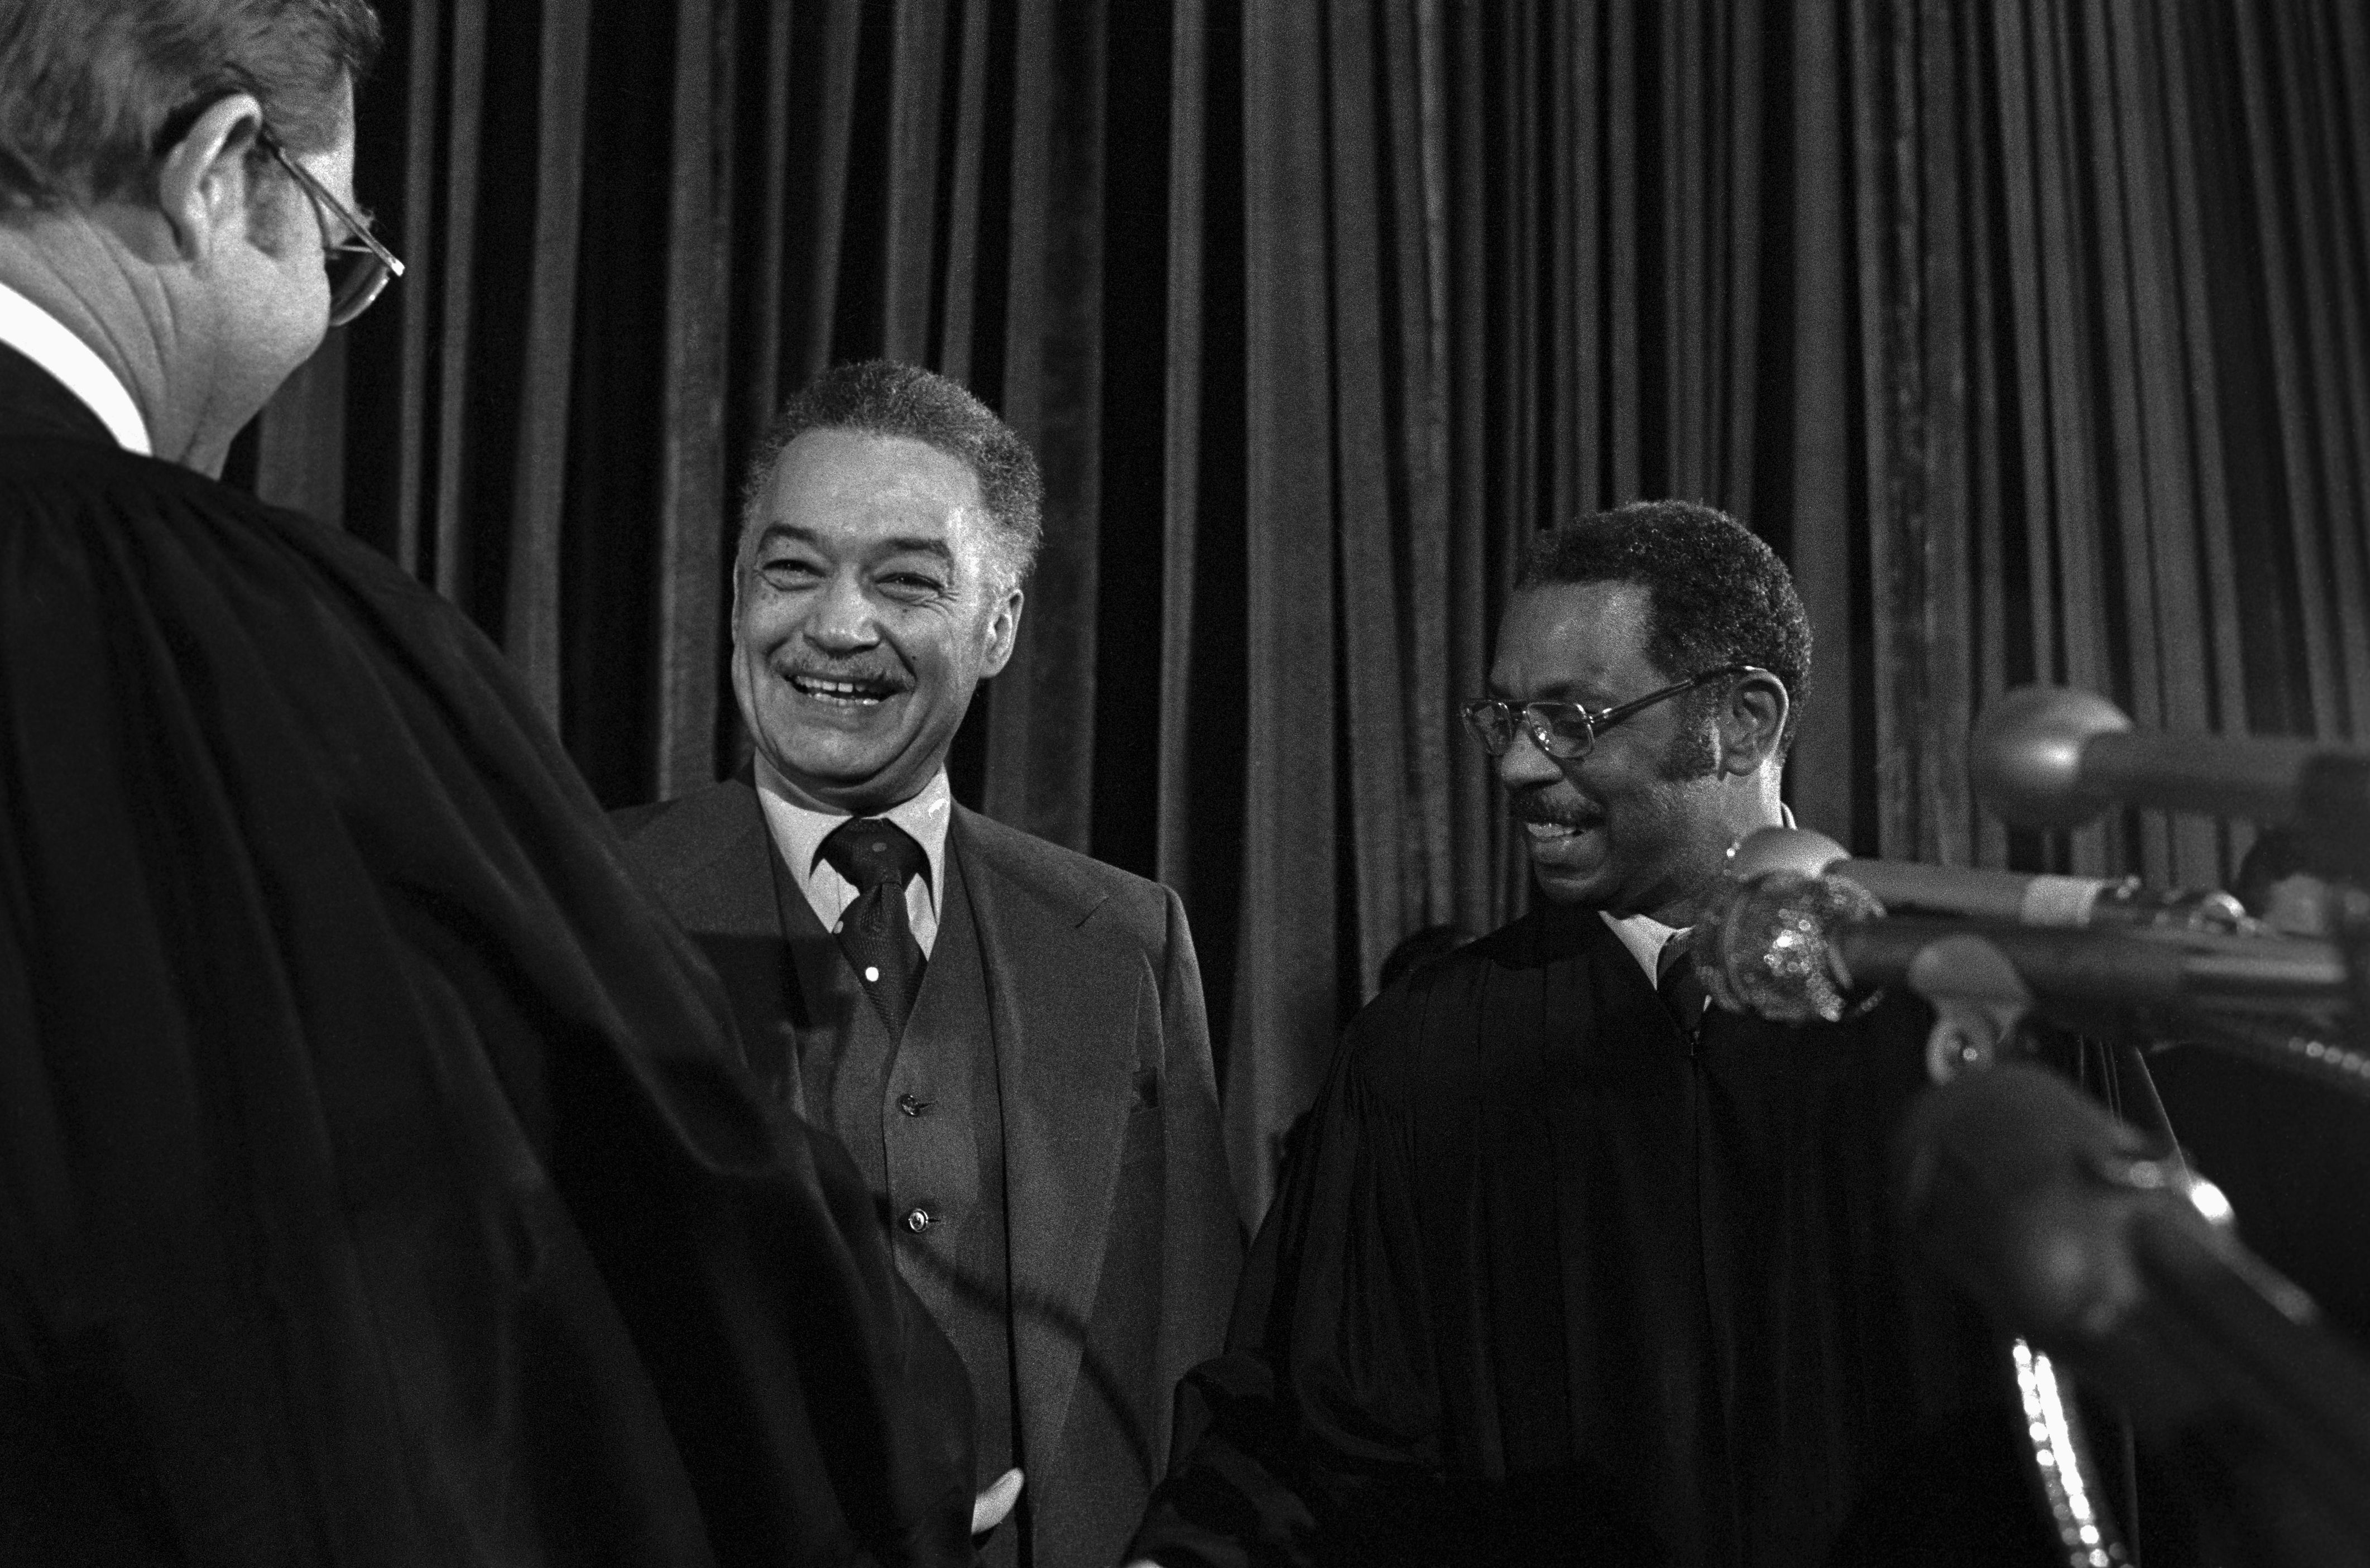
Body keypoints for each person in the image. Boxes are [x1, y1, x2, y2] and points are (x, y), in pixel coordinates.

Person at [0, 6, 979, 1562]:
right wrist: (887, 1427)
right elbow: (638, 1201)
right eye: (338, 253)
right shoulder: (222, 623)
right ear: (217, 168)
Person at [1125, 501, 2059, 1566]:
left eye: (1570, 719)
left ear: (1741, 721)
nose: (1517, 767)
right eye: (1503, 719)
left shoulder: (1959, 1005)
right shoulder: (1427, 1054)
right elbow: (1309, 1437)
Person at [612, 359, 1241, 1568]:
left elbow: (1197, 1340)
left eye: (904, 580)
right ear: (737, 593)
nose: (837, 625)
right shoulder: (580, 904)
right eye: (791, 570)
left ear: (998, 625)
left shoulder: (1125, 939)